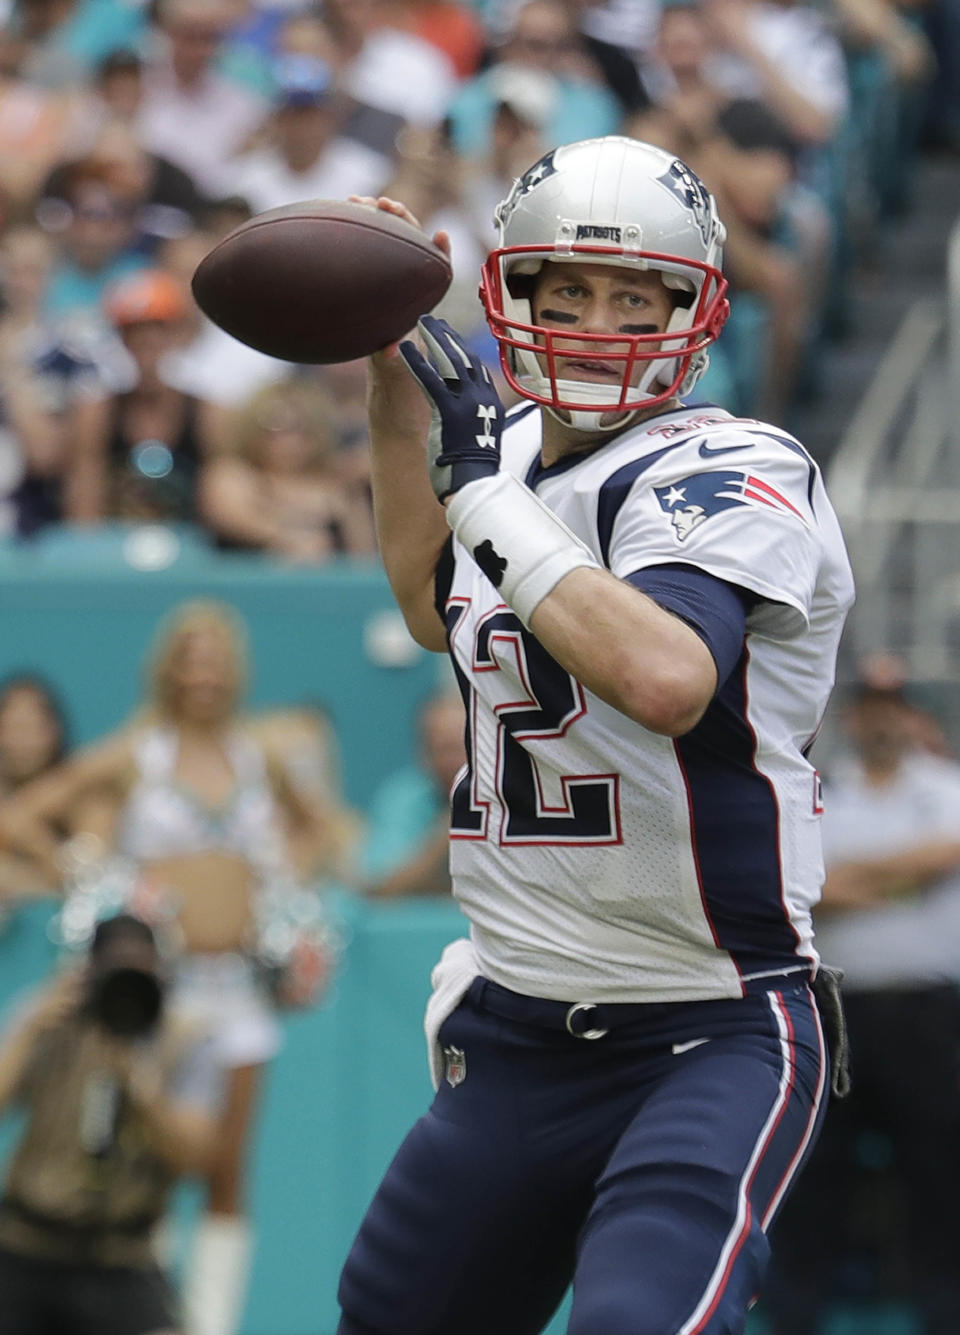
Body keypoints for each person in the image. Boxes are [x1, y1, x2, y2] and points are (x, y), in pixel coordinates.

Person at [336, 133, 855, 1335]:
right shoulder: (501, 457)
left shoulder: (731, 463)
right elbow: (430, 602)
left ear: (696, 311)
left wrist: (481, 497)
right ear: (507, 292)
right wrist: (388, 383)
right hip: (516, 1025)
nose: (596, 319)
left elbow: (668, 677)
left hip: (709, 1022)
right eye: (566, 289)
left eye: (636, 295)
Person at [0, 600, 340, 1335]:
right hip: (157, 989)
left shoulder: (260, 753)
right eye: (190, 656)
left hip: (240, 989)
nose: (203, 672)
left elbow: (326, 826)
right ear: (168, 666)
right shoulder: (136, 751)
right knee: (142, 1153)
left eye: (216, 657)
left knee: (226, 1170)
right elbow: (21, 817)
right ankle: (143, 1311)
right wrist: (91, 876)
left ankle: (209, 1323)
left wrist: (285, 887)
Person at [763, 677, 960, 1335]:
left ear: (911, 717)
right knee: (815, 1170)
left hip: (928, 1013)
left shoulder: (942, 785)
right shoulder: (821, 789)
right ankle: (797, 1314)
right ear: (853, 716)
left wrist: (850, 877)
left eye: (894, 708)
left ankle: (944, 1312)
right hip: (836, 1010)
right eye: (871, 708)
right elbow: (794, 878)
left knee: (939, 1169)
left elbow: (947, 851)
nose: (882, 721)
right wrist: (898, 880)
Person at [0, 912, 224, 1335]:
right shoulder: (50, 1017)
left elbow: (196, 1159)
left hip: (122, 1257)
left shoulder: (181, 1035)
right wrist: (32, 1029)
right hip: (24, 1245)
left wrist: (139, 1085)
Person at [360, 691, 465, 900]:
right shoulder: (402, 799)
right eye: (444, 748)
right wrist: (450, 830)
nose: (455, 760)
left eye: (463, 746)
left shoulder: (515, 796)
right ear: (424, 752)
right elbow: (380, 888)